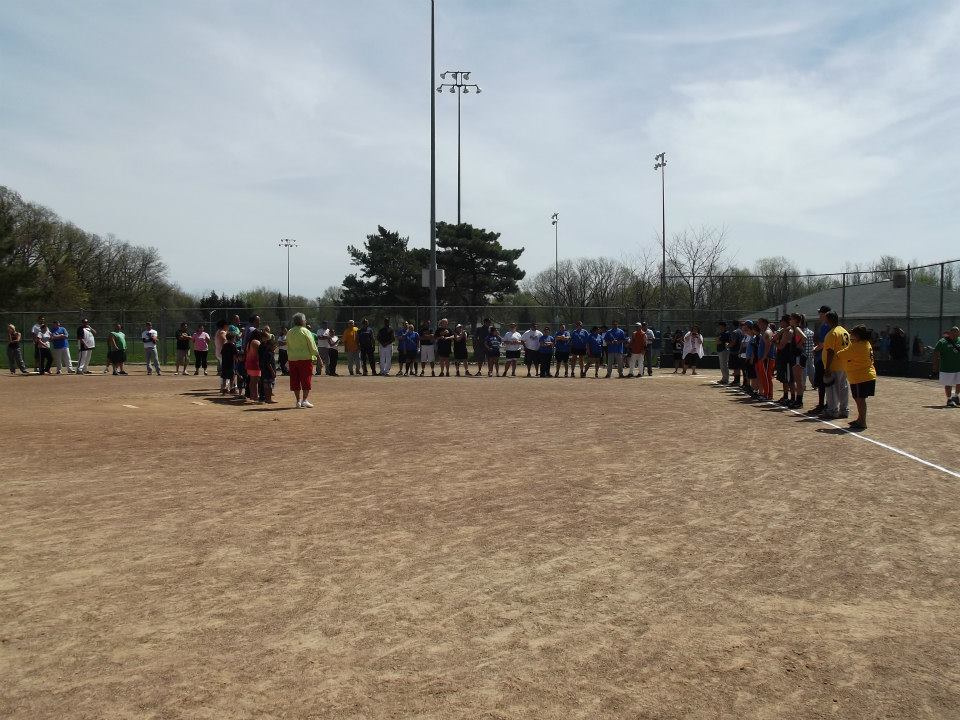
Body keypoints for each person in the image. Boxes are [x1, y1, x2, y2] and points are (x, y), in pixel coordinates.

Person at [846, 325, 876, 430]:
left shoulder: (858, 345)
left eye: (853, 333)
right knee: (858, 398)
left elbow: (844, 354)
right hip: (864, 375)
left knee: (860, 399)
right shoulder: (865, 343)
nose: (851, 335)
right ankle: (860, 419)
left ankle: (862, 421)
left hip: (861, 376)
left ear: (858, 336)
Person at [821, 310, 850, 419]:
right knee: (843, 387)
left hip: (834, 365)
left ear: (829, 320)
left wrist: (827, 368)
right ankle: (844, 410)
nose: (825, 321)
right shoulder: (844, 331)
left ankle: (832, 410)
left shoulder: (832, 333)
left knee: (832, 388)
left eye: (826, 319)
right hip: (844, 364)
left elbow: (830, 351)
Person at [286, 313, 318, 407]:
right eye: (305, 320)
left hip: (292, 359)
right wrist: (317, 356)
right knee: (306, 379)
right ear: (302, 321)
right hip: (305, 359)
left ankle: (298, 401)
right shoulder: (306, 331)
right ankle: (304, 400)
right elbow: (312, 345)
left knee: (295, 379)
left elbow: (288, 345)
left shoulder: (289, 332)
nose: (305, 321)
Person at [809, 306, 832, 414]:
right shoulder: (827, 326)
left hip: (822, 358)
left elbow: (823, 344)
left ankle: (823, 404)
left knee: (822, 383)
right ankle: (825, 404)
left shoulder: (825, 326)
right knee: (824, 383)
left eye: (821, 313)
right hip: (824, 357)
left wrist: (815, 349)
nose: (820, 315)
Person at [931, 326, 960, 407]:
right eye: (953, 333)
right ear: (950, 333)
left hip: (959, 367)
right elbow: (935, 353)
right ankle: (949, 399)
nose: (955, 335)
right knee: (948, 384)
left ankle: (956, 397)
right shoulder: (942, 342)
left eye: (957, 333)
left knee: (959, 383)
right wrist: (935, 366)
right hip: (947, 368)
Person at [259, 332, 277, 403]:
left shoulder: (267, 352)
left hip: (265, 371)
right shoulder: (269, 354)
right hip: (269, 372)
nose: (275, 347)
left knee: (266, 385)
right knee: (269, 386)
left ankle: (266, 398)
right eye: (274, 346)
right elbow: (269, 364)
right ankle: (269, 399)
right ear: (270, 346)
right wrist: (272, 371)